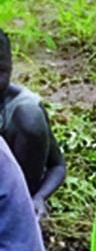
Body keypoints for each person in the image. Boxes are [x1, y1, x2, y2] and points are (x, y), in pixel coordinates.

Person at [0, 31, 66, 219]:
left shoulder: (22, 107)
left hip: (11, 191)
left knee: (30, 120)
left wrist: (39, 198)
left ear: (12, 68)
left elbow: (57, 166)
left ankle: (20, 205)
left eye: (1, 71)